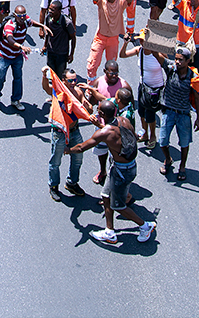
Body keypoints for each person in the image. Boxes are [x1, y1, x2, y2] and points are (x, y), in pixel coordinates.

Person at [67, 99, 156, 245]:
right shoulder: (124, 120)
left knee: (118, 206)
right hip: (125, 167)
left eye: (98, 109)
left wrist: (67, 150)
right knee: (105, 196)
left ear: (101, 113)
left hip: (122, 172)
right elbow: (130, 136)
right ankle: (109, 231)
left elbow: (81, 148)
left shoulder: (103, 133)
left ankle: (145, 226)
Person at [151, 45, 199, 181]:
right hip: (168, 112)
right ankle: (168, 159)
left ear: (188, 61)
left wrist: (198, 118)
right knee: (162, 141)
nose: (177, 62)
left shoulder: (193, 77)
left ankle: (182, 167)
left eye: (180, 60)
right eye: (176, 59)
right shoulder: (170, 68)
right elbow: (156, 55)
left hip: (183, 114)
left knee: (184, 143)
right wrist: (151, 40)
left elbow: (197, 98)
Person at [0, 4, 50, 111]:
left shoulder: (25, 20)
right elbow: (10, 39)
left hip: (17, 56)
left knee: (18, 78)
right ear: (15, 15)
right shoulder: (10, 25)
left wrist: (43, 26)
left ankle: (15, 100)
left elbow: (32, 22)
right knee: (0, 77)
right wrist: (21, 46)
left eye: (24, 15)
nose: (23, 17)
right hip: (4, 56)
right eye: (20, 16)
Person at [43, 67, 88, 201]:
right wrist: (44, 76)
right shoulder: (58, 91)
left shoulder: (78, 92)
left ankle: (72, 183)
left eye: (75, 80)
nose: (73, 83)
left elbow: (86, 107)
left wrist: (90, 95)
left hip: (74, 130)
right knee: (55, 161)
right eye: (70, 80)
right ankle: (54, 186)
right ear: (63, 80)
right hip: (60, 132)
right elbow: (46, 88)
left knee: (78, 158)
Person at [88, 0, 134, 79]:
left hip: (113, 40)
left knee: (111, 67)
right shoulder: (101, 0)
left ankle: (108, 85)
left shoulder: (121, 2)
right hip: (100, 38)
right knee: (92, 64)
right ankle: (91, 87)